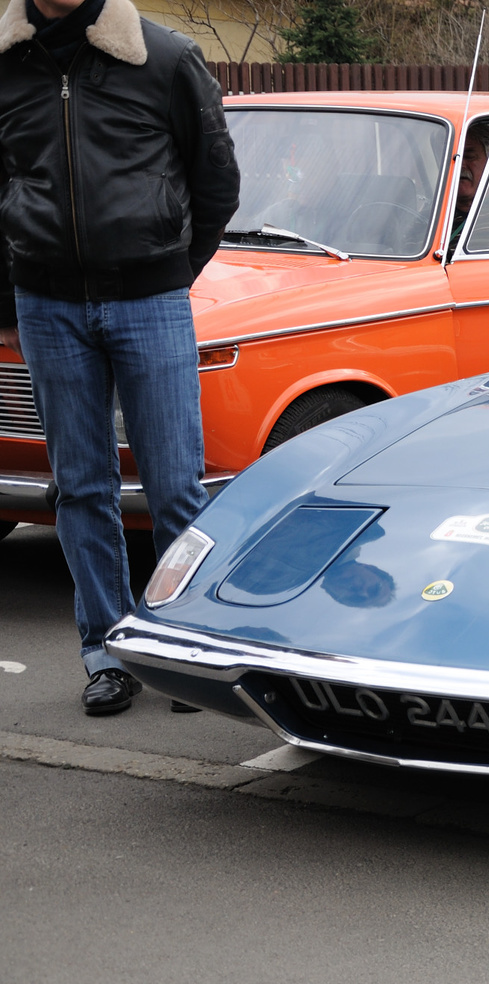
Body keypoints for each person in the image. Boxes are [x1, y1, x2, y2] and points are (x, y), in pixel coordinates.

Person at [0, 0, 240, 715]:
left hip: (150, 301)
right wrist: (9, 303)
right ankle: (106, 651)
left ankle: (183, 646)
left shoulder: (164, 59)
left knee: (174, 487)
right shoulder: (7, 67)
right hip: (47, 305)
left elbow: (216, 182)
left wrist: (169, 270)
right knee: (81, 488)